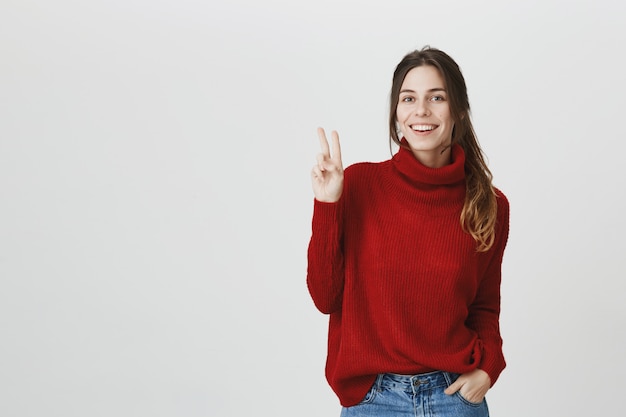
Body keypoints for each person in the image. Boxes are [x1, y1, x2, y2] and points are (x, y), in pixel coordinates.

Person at [306, 46, 510, 417]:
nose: (421, 110)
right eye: (409, 98)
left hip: (455, 396)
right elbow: (325, 297)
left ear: (458, 111)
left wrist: (488, 367)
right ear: (396, 113)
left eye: (437, 97)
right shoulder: (358, 184)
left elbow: (484, 306)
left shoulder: (489, 204)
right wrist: (328, 205)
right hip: (374, 400)